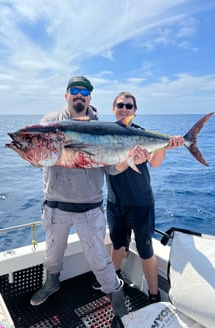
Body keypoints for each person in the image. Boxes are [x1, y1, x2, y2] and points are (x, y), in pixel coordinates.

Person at [30, 78, 139, 320]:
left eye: (85, 92)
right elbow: (40, 157)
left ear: (90, 97)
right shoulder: (49, 122)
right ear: (66, 94)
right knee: (52, 254)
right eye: (75, 91)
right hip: (55, 204)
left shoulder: (103, 129)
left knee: (99, 258)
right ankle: (52, 283)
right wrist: (33, 157)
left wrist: (127, 158)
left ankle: (116, 296)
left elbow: (111, 170)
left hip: (89, 208)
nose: (80, 95)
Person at [92, 91, 185, 304]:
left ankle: (153, 295)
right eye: (120, 105)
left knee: (145, 250)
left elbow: (155, 162)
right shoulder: (105, 135)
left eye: (129, 106)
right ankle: (111, 282)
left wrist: (165, 146)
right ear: (113, 108)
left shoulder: (142, 134)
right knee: (117, 245)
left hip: (142, 202)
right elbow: (110, 167)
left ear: (134, 111)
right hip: (116, 203)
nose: (124, 109)